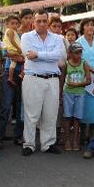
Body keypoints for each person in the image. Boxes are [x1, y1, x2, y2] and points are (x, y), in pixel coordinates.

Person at [20, 9, 66, 156]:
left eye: (44, 21)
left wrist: (38, 54)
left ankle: (48, 144)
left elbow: (57, 56)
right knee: (31, 114)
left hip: (52, 79)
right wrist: (46, 55)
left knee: (51, 113)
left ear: (48, 22)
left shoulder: (58, 38)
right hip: (33, 78)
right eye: (38, 21)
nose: (41, 24)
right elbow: (29, 55)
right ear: (33, 23)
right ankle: (29, 144)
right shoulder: (26, 37)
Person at [0, 14, 25, 149]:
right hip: (10, 70)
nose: (15, 25)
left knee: (20, 105)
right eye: (12, 23)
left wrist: (22, 58)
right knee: (6, 105)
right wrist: (17, 56)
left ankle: (18, 136)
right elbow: (4, 52)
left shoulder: (25, 36)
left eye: (16, 23)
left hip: (23, 71)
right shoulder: (9, 34)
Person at [60, 43, 90, 151]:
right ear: (70, 53)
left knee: (77, 118)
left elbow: (88, 80)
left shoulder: (84, 64)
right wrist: (60, 95)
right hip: (67, 93)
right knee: (67, 117)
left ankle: (75, 141)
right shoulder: (66, 64)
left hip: (80, 93)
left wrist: (77, 85)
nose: (79, 55)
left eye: (80, 52)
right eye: (76, 52)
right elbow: (62, 79)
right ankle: (67, 140)